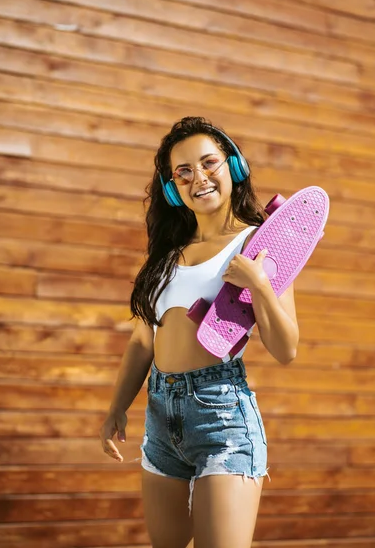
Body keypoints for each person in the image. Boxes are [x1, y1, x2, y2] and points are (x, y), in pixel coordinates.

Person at [100, 116, 299, 548]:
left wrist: (260, 283)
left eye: (209, 163)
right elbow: (142, 340)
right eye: (183, 172)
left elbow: (286, 348)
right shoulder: (166, 258)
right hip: (160, 416)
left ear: (235, 167)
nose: (199, 178)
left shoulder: (258, 244)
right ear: (172, 188)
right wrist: (117, 406)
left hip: (222, 416)